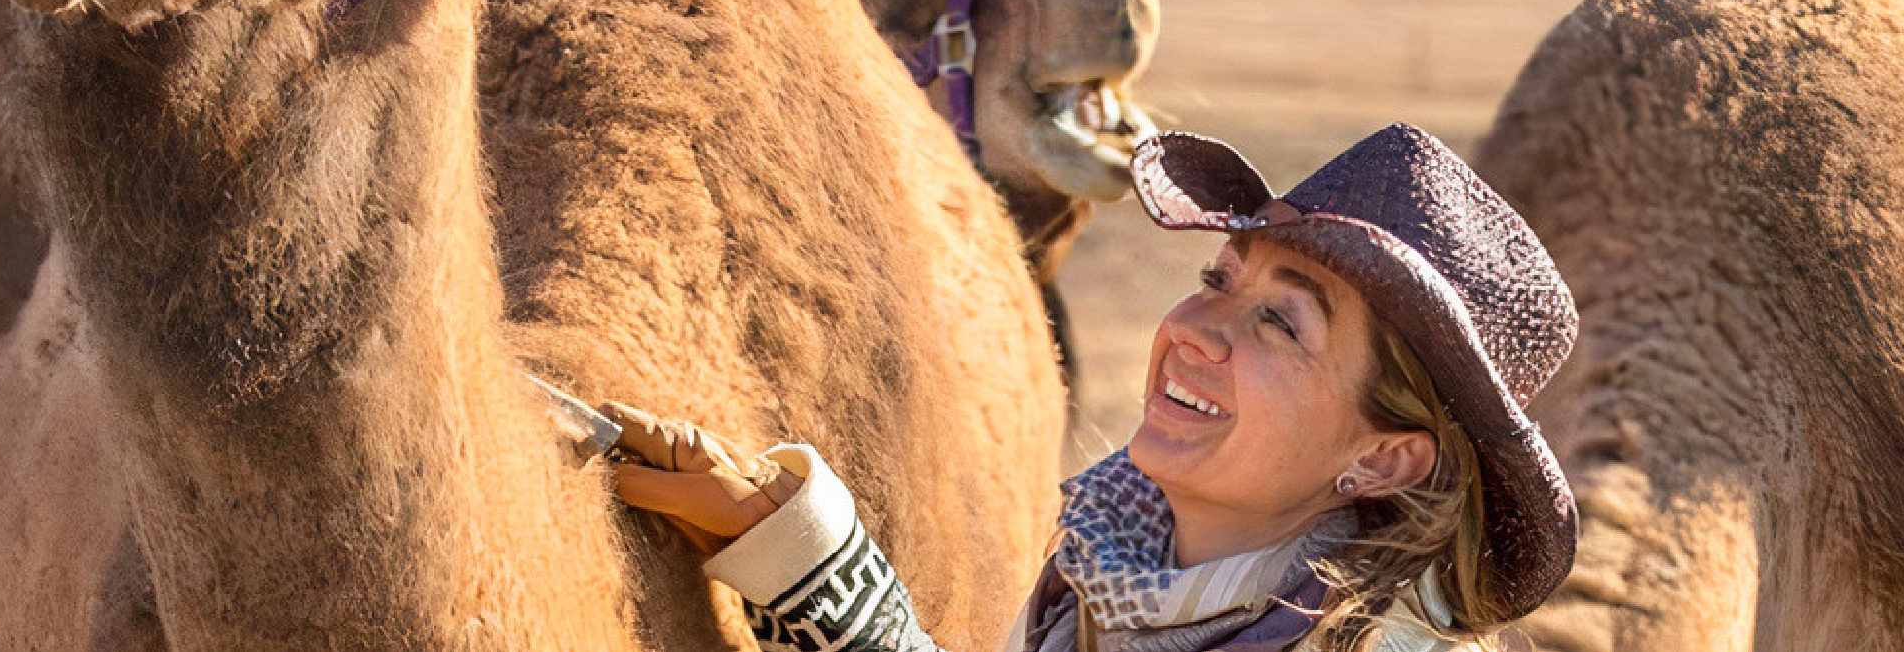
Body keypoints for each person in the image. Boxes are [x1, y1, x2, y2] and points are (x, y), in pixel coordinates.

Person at [607, 124, 1579, 652]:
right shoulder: (1100, 578)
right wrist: (803, 556)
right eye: (1217, 279)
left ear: (1382, 455)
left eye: (1279, 321)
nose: (1197, 330)